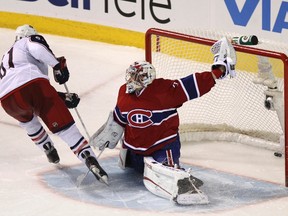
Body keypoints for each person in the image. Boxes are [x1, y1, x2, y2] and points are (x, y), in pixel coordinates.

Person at [91, 37, 236, 204]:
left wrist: (219, 70)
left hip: (162, 147)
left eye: (134, 77)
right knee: (133, 168)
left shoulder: (165, 92)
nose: (129, 80)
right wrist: (112, 130)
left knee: (167, 173)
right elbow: (120, 117)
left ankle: (181, 183)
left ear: (144, 79)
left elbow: (194, 84)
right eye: (130, 76)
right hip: (134, 151)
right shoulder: (124, 92)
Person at [0, 24, 108, 184]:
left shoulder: (6, 59)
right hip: (32, 86)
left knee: (28, 122)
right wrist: (57, 65)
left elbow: (33, 92)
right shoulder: (26, 41)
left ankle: (46, 147)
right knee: (66, 129)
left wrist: (62, 98)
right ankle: (89, 159)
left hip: (7, 101)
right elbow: (36, 82)